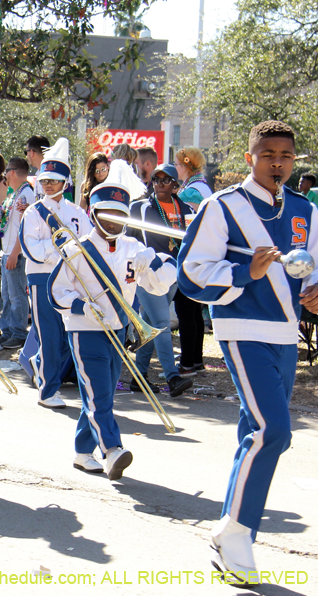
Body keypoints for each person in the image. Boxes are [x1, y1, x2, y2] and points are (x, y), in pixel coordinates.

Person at [177, 120, 318, 585]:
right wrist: (244, 271)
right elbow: (192, 274)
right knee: (273, 431)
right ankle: (232, 532)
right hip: (241, 329)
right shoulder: (223, 207)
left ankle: (233, 540)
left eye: (285, 156)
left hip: (285, 334)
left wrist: (315, 290)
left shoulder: (305, 210)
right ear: (249, 158)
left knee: (252, 432)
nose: (277, 163)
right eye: (267, 154)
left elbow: (311, 269)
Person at [49, 160, 176, 480]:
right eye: (108, 213)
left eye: (121, 214)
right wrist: (81, 308)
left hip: (118, 331)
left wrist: (162, 264)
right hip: (85, 331)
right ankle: (112, 450)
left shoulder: (135, 247)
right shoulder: (76, 250)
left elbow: (156, 285)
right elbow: (56, 292)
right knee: (98, 393)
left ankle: (81, 452)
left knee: (100, 394)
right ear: (94, 214)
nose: (116, 220)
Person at [18, 137, 92, 409]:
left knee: (65, 335)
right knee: (48, 334)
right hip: (41, 278)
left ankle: (39, 364)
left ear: (65, 182)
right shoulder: (34, 212)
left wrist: (68, 248)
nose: (48, 185)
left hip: (70, 279)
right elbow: (33, 250)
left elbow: (86, 244)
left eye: (54, 180)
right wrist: (61, 246)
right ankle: (48, 391)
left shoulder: (77, 212)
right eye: (45, 180)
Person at [126, 163, 195, 397]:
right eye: (156, 179)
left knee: (152, 324)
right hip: (149, 272)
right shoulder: (140, 208)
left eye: (166, 180)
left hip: (173, 272)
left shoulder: (185, 209)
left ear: (175, 184)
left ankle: (139, 376)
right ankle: (172, 377)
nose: (159, 183)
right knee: (163, 324)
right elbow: (128, 239)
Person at [173, 147, 211, 376]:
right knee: (194, 310)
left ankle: (187, 363)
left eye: (177, 164)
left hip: (191, 254)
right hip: (202, 253)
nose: (175, 168)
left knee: (186, 311)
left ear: (186, 166)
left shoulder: (190, 192)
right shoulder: (202, 186)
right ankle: (195, 360)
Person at [0, 157, 32, 349]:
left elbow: (25, 227)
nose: (5, 174)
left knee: (17, 295)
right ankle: (7, 331)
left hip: (16, 252)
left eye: (7, 170)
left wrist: (15, 253)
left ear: (13, 172)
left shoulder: (27, 194)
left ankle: (18, 333)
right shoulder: (14, 193)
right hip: (7, 250)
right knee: (7, 294)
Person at [175, 146, 212, 211]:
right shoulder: (199, 185)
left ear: (184, 166)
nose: (174, 167)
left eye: (176, 164)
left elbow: (189, 219)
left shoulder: (191, 192)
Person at [25, 135, 51, 201]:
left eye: (26, 152)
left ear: (32, 153)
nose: (26, 156)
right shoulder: (40, 173)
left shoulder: (53, 174)